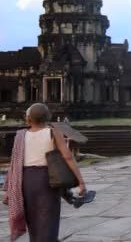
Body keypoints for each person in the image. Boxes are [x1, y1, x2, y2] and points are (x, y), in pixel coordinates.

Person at [3, 103, 88, 242]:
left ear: (28, 118)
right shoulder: (53, 132)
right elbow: (67, 156)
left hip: (26, 180)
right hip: (47, 179)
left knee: (33, 221)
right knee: (48, 219)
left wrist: (9, 188)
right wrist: (81, 182)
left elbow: (14, 163)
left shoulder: (20, 135)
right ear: (47, 116)